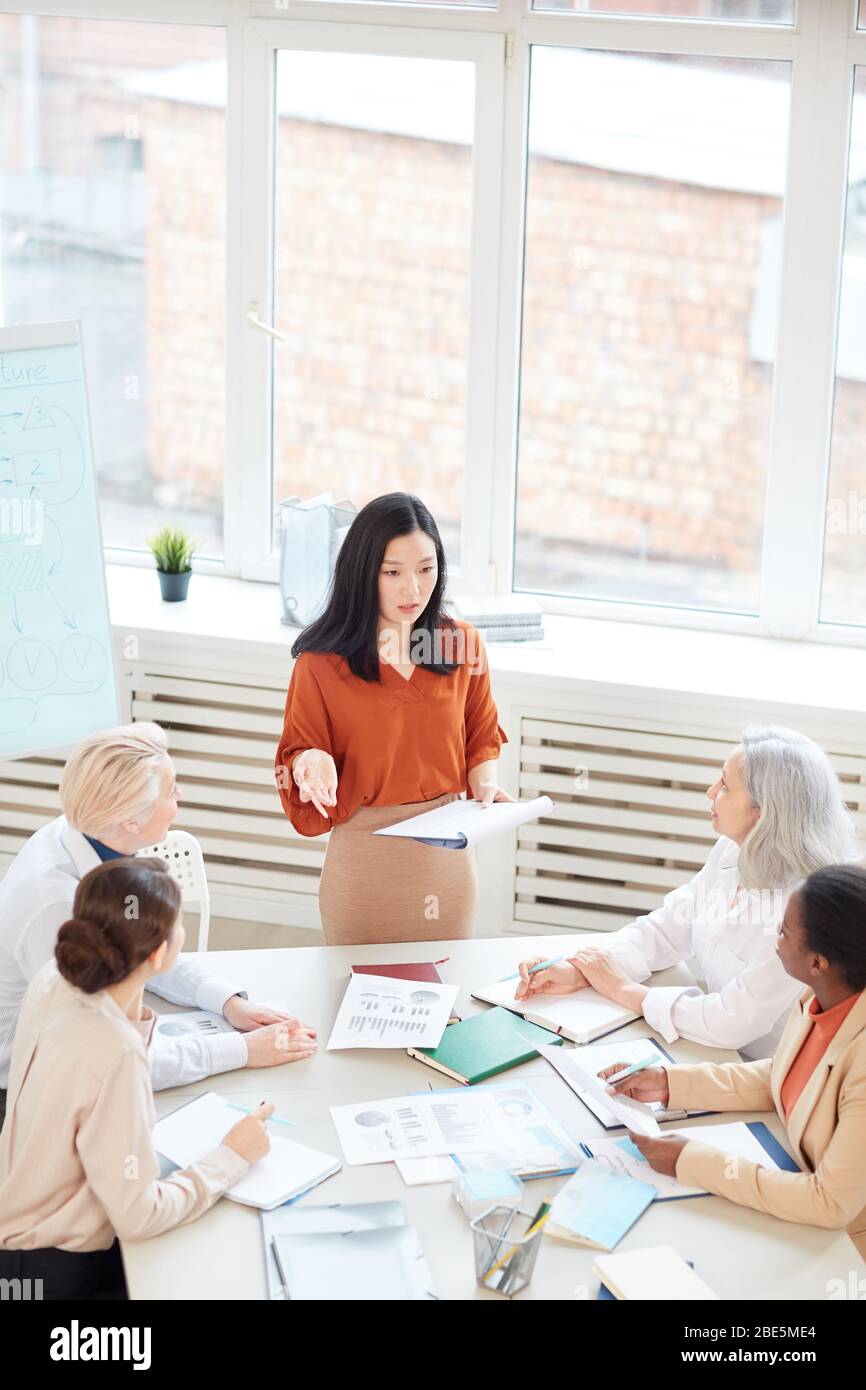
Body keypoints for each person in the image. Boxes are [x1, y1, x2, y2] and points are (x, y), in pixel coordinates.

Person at [0, 722, 317, 1129]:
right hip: (22, 1092)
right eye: (171, 789)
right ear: (132, 820)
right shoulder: (58, 905)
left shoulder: (92, 833)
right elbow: (110, 1059)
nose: (179, 796)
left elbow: (142, 945)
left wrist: (227, 1003)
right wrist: (242, 1050)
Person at [0, 858, 283, 1299]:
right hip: (57, 1266)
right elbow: (138, 1215)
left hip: (20, 1229)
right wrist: (232, 1156)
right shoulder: (116, 1051)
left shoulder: (55, 980)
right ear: (157, 955)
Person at [516, 726, 857, 1058]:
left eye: (724, 786)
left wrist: (623, 989)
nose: (710, 792)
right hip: (714, 1050)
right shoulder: (732, 850)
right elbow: (667, 928)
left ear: (762, 812)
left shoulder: (805, 908)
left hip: (766, 1070)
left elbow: (732, 1021)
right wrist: (581, 969)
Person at [275, 492, 510, 945]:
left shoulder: (462, 644)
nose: (413, 589)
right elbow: (299, 751)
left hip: (446, 871)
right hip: (363, 871)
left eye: (426, 569)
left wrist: (484, 784)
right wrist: (311, 762)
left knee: (445, 1003)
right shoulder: (320, 664)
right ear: (363, 572)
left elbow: (481, 734)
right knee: (353, 1004)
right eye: (393, 572)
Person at [600, 864, 866, 1257]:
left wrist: (691, 1160)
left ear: (818, 962)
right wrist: (669, 1083)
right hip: (794, 1191)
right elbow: (782, 1075)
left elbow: (828, 1203)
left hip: (842, 1247)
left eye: (783, 931)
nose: (774, 940)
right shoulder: (818, 996)